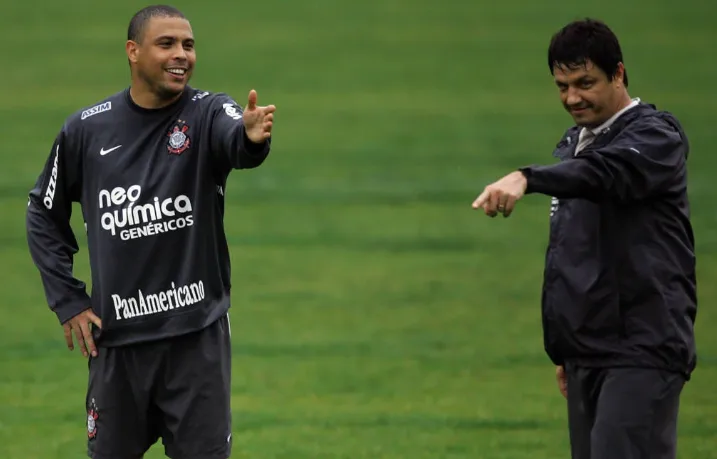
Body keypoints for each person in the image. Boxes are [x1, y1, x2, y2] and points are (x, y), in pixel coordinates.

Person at [25, 5, 275, 459]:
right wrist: (68, 301)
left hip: (195, 342)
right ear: (133, 52)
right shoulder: (86, 129)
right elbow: (43, 212)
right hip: (118, 347)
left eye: (188, 45)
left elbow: (233, 140)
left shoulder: (208, 111)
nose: (182, 54)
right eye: (167, 44)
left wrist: (252, 137)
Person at [471, 18, 696, 459]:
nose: (572, 97)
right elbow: (578, 255)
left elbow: (606, 173)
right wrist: (569, 346)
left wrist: (527, 178)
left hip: (641, 347)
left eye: (585, 82)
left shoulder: (654, 138)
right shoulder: (578, 146)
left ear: (619, 74)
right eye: (562, 85)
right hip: (590, 352)